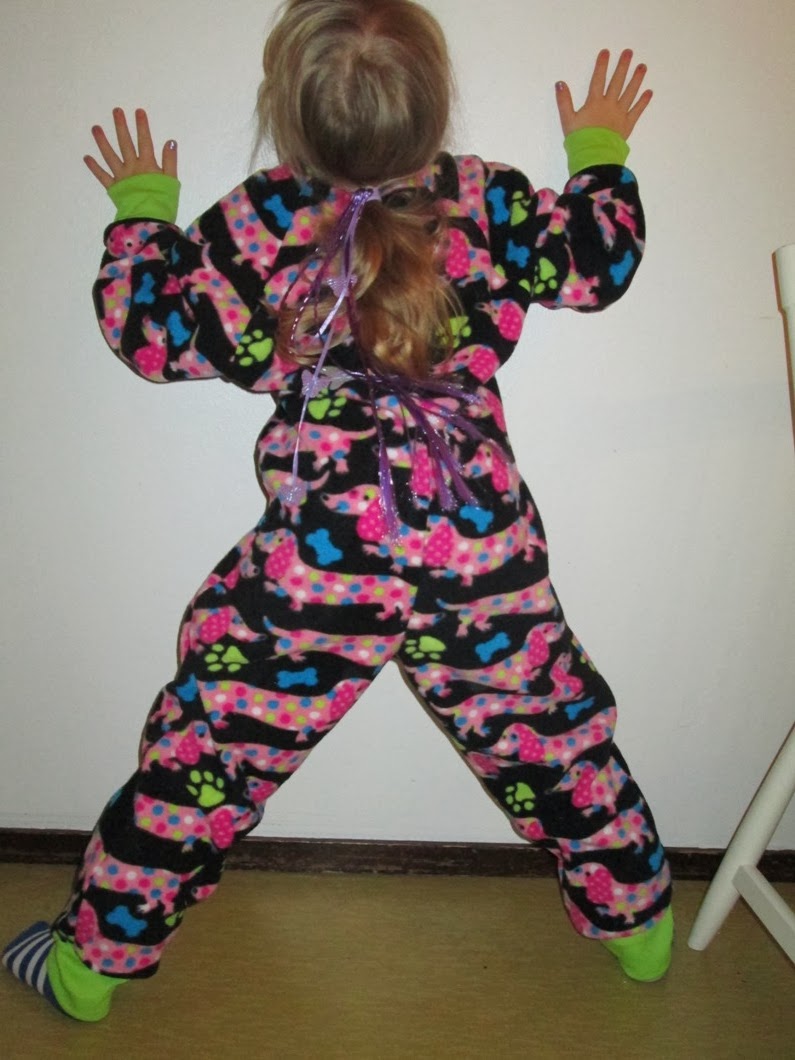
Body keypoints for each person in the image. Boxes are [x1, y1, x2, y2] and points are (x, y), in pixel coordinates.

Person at [3, 0, 672, 1022]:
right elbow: (596, 260)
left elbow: (153, 331)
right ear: (436, 107)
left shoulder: (262, 221)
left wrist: (143, 218)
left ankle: (92, 967)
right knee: (550, 738)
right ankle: (640, 927)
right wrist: (597, 154)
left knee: (212, 754)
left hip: (320, 573)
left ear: (289, 118)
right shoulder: (485, 201)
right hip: (479, 554)